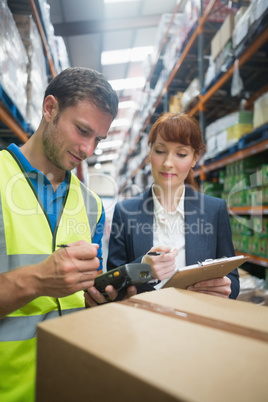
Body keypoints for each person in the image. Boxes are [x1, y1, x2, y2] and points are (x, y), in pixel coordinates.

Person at [0, 67, 125, 402]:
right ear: (50, 109)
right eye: (82, 130)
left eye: (98, 139)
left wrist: (100, 299)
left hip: (68, 382)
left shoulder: (93, 205)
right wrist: (40, 279)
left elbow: (79, 300)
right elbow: (46, 281)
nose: (88, 150)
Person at [104, 112, 239, 299]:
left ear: (194, 158)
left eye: (181, 154)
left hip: (197, 320)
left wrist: (226, 288)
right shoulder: (125, 212)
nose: (168, 163)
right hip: (144, 322)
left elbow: (232, 278)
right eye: (160, 151)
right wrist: (143, 268)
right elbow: (111, 285)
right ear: (150, 152)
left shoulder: (214, 210)